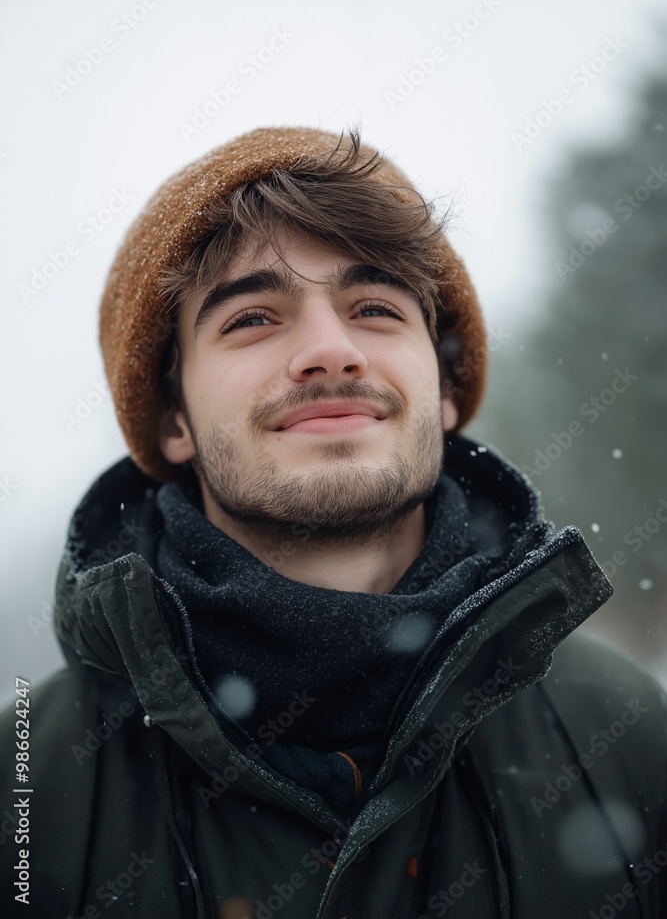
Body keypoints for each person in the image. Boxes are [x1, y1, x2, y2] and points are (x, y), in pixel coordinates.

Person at [1, 126, 666, 919]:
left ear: (446, 388)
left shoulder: (623, 731)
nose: (329, 350)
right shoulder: (29, 786)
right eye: (251, 319)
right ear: (172, 417)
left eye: (375, 307)